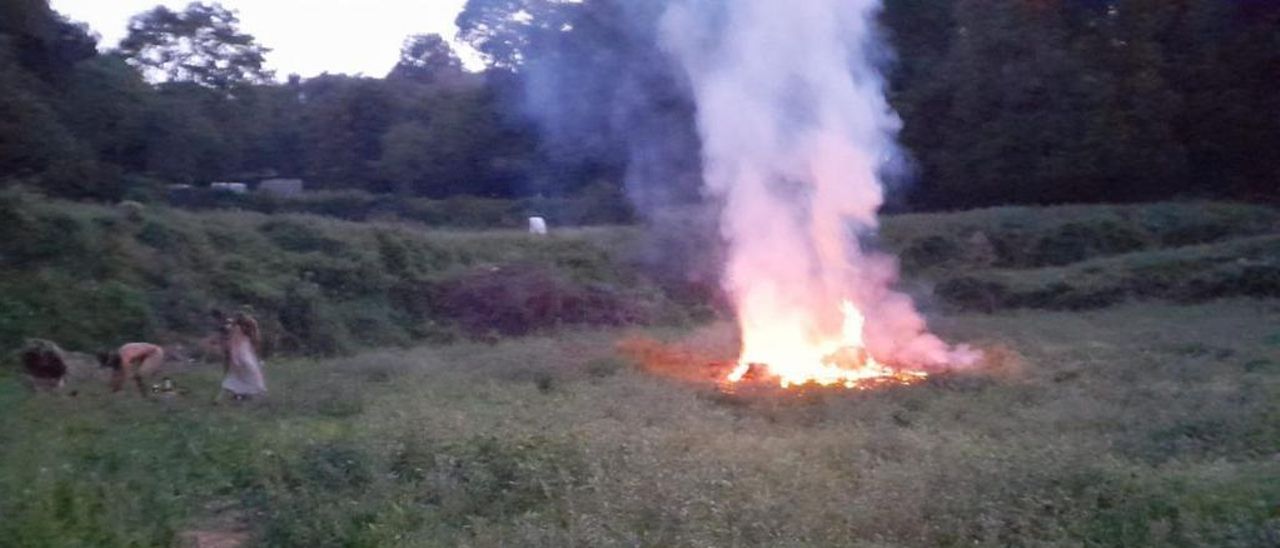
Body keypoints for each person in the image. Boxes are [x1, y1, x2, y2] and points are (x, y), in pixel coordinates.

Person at [214, 310, 267, 402]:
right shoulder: (243, 333)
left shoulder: (240, 332)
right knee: (241, 379)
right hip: (244, 360)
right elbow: (238, 347)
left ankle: (233, 397)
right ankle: (230, 397)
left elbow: (235, 347)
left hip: (242, 359)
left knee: (234, 379)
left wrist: (235, 360)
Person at [98, 342, 165, 396]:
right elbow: (116, 374)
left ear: (111, 359)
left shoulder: (125, 358)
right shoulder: (119, 355)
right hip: (144, 355)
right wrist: (114, 389)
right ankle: (145, 395)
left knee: (142, 375)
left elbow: (129, 376)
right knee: (139, 377)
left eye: (109, 364)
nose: (110, 366)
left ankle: (155, 393)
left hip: (154, 353)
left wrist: (119, 389)